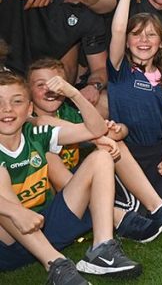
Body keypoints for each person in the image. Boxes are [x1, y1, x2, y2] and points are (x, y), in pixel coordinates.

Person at [28, 57, 162, 231]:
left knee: (112, 143)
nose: (49, 90)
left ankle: (158, 208)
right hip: (54, 200)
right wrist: (98, 135)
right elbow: (45, 123)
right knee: (50, 158)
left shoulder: (67, 112)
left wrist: (118, 129)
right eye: (40, 85)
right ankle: (119, 218)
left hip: (77, 184)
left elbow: (114, 132)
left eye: (55, 84)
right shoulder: (28, 122)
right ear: (28, 91)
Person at [0, 72, 143, 279]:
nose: (7, 109)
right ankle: (56, 265)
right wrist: (15, 212)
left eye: (17, 101)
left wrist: (73, 93)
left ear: (29, 108)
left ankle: (102, 249)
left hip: (44, 226)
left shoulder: (37, 134)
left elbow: (96, 129)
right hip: (8, 246)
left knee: (102, 157)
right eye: (0, 102)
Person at [107, 0, 162, 207]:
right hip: (125, 153)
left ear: (161, 43)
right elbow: (118, 28)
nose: (143, 41)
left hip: (156, 154)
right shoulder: (120, 71)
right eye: (137, 35)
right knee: (133, 209)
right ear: (127, 43)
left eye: (151, 36)